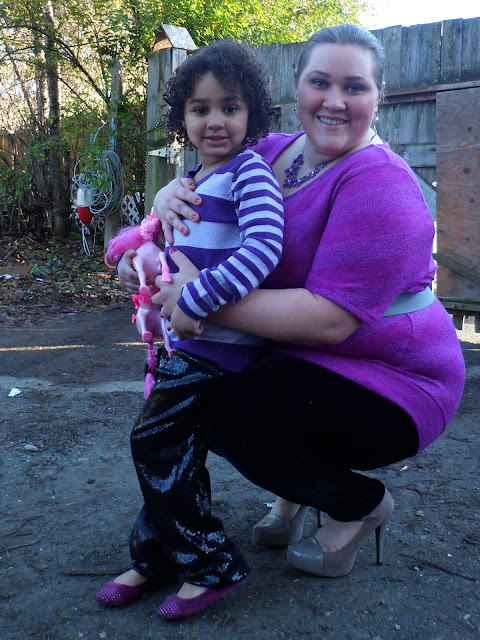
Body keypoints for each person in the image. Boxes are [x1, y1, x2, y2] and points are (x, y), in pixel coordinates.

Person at [112, 24, 465, 619]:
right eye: (320, 82)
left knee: (226, 408)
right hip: (297, 353)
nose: (334, 100)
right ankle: (282, 499)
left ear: (380, 96)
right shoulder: (271, 151)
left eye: (355, 87)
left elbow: (329, 321)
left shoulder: (383, 185)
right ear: (295, 88)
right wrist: (165, 209)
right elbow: (209, 204)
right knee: (209, 390)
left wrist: (192, 297)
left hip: (393, 376)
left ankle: (356, 505)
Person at [95, 39, 284, 618]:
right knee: (176, 453)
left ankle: (211, 564)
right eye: (200, 109)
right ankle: (158, 556)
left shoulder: (249, 173)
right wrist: (138, 257)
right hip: (185, 346)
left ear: (252, 113)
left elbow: (264, 248)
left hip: (221, 350)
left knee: (152, 442)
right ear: (183, 118)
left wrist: (197, 298)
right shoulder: (191, 177)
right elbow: (160, 241)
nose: (215, 120)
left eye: (230, 107)